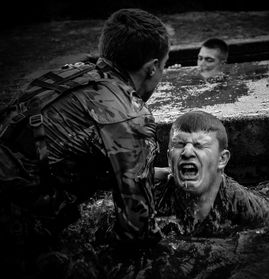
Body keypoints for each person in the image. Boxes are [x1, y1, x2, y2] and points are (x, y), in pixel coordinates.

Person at [0, 8, 169, 277]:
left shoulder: (67, 75)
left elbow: (64, 151)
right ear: (151, 68)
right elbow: (138, 231)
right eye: (163, 67)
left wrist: (146, 173)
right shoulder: (130, 114)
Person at [154, 111, 269, 237]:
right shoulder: (156, 194)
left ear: (222, 159)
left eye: (199, 145)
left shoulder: (239, 201)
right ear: (169, 159)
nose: (187, 152)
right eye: (179, 144)